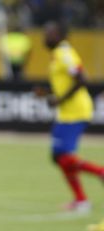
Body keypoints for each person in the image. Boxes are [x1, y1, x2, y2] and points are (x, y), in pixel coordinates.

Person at [36, 21, 104, 213]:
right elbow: (65, 84)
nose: (45, 37)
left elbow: (82, 79)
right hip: (67, 112)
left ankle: (100, 173)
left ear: (59, 35)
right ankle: (81, 200)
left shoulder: (65, 54)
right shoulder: (57, 55)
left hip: (77, 111)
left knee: (62, 155)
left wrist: (60, 100)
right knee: (59, 157)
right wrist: (49, 94)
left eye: (48, 33)